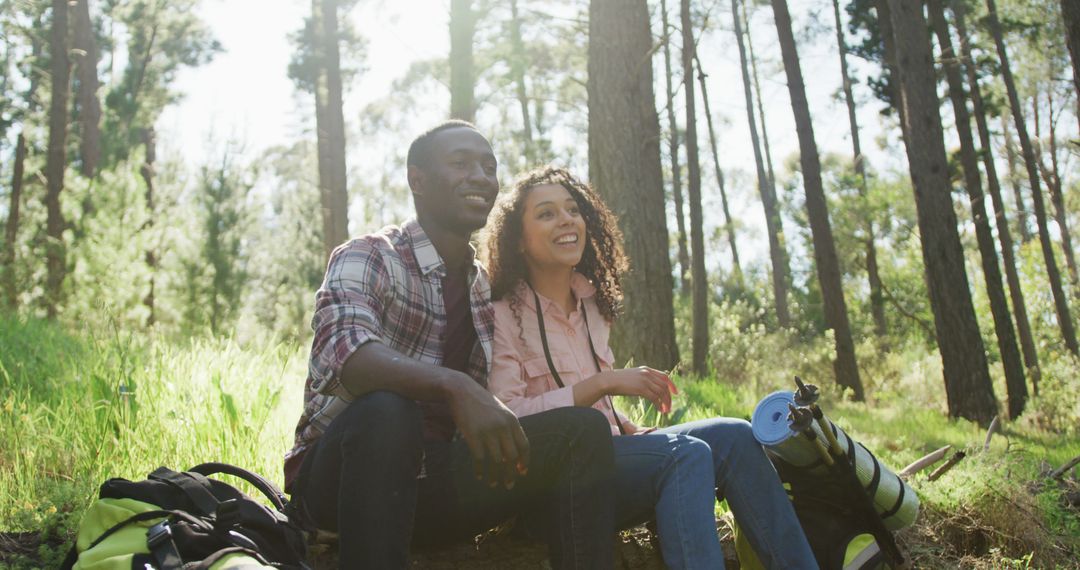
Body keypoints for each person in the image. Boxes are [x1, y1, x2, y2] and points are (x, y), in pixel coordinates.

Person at [284, 123, 617, 570]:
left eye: (489, 167)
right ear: (417, 179)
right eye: (460, 164)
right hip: (342, 482)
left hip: (434, 482)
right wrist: (453, 385)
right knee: (389, 408)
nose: (480, 176)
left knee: (580, 431)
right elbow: (350, 357)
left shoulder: (481, 287)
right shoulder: (370, 255)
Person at [484, 165, 819, 570]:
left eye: (573, 209)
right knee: (685, 454)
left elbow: (591, 407)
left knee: (734, 434)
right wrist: (604, 383)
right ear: (518, 239)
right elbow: (511, 418)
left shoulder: (592, 305)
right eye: (546, 213)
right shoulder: (500, 314)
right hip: (554, 487)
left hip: (611, 460)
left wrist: (628, 427)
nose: (567, 219)